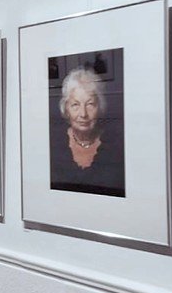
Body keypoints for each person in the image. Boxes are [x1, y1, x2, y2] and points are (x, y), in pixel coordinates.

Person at [50, 67, 125, 197]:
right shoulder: (52, 144)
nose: (83, 114)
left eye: (90, 104)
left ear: (100, 106)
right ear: (66, 109)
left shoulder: (117, 145)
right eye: (75, 105)